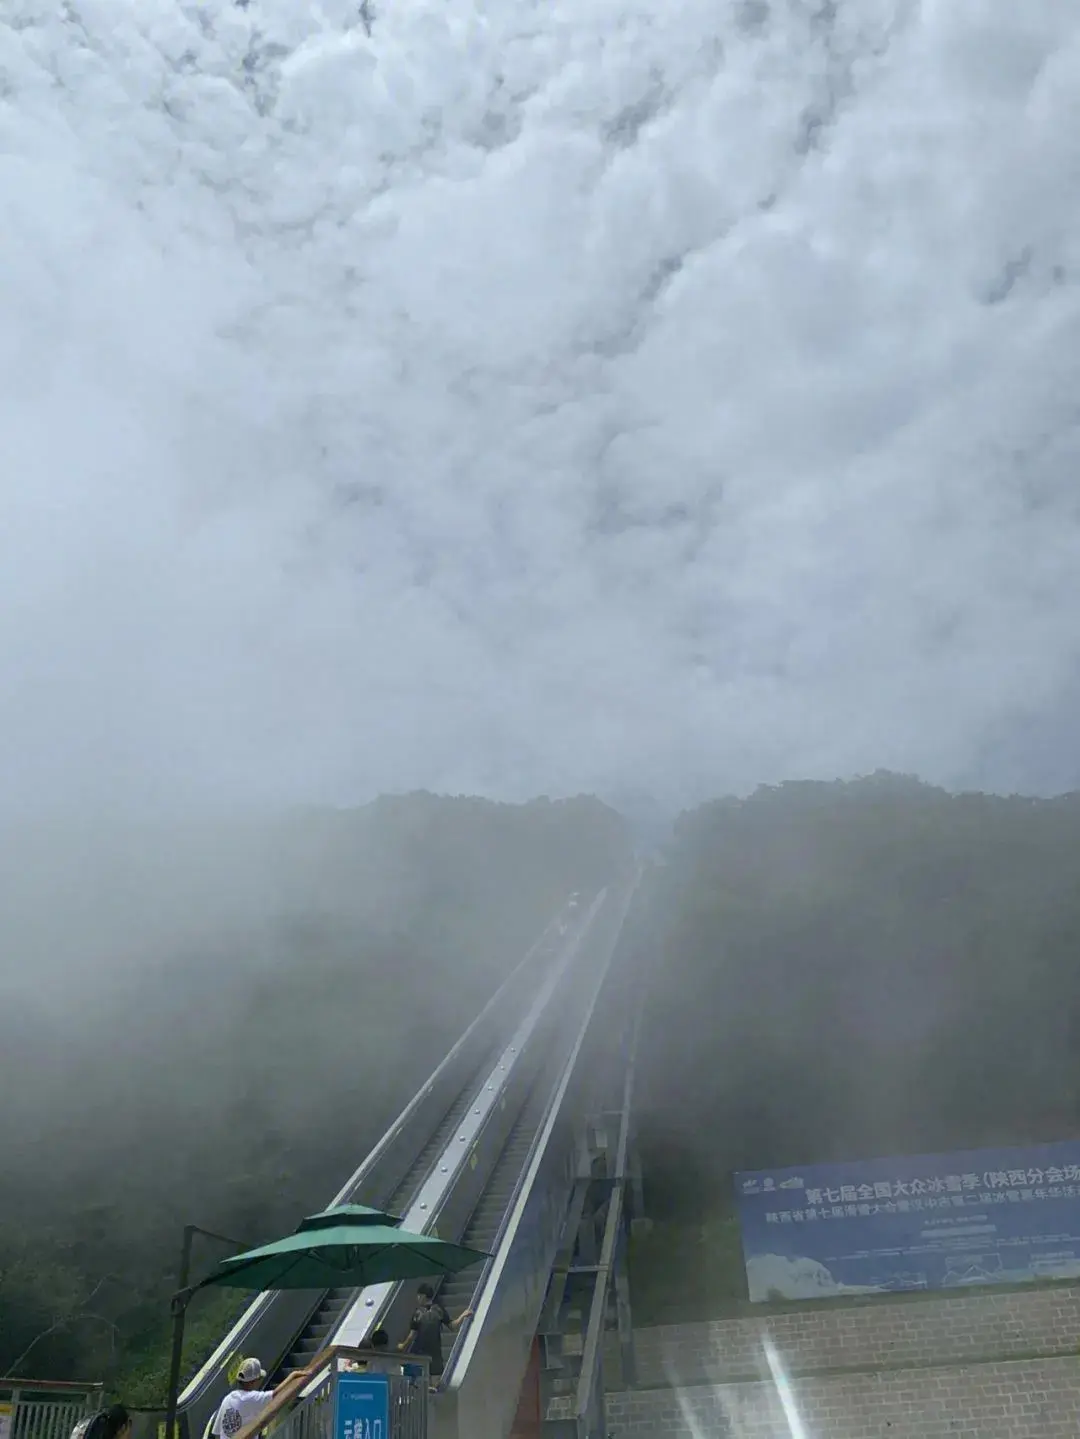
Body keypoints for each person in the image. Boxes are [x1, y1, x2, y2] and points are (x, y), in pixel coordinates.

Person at [212, 1356, 319, 1439]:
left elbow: (217, 1432)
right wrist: (293, 1375)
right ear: (254, 1381)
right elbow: (276, 1393)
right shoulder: (252, 1398)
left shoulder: (227, 1398)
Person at [398, 1285, 473, 1389]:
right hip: (434, 1352)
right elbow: (452, 1326)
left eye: (418, 1296)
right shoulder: (438, 1310)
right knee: (433, 1383)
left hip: (421, 1352)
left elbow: (412, 1335)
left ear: (423, 1296)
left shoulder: (418, 1313)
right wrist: (462, 1315)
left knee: (420, 1383)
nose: (417, 1298)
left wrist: (403, 1345)